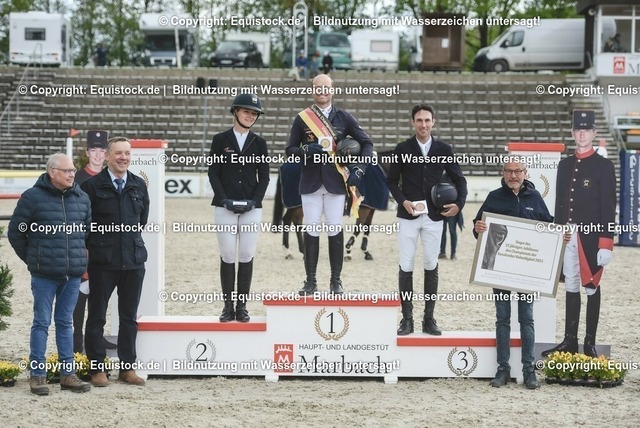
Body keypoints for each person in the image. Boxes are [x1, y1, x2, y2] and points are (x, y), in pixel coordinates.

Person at [8, 153, 92, 395]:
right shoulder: (32, 197)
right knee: (41, 323)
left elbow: (86, 232)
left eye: (73, 171)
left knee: (65, 323)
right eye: (67, 171)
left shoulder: (82, 198)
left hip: (72, 274)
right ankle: (37, 375)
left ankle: (68, 374)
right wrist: (34, 259)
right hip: (44, 275)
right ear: (52, 172)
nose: (72, 174)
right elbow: (16, 232)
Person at [286, 73, 373, 295]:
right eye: (317, 87)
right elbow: (290, 150)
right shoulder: (302, 118)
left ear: (332, 89)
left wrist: (360, 169)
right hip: (311, 182)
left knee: (335, 228)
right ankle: (310, 281)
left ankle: (336, 281)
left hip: (336, 182)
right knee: (311, 230)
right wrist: (304, 150)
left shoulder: (345, 117)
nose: (322, 91)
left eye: (326, 87)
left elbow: (367, 143)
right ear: (312, 90)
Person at [387, 103, 467, 336]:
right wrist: (403, 201)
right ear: (413, 122)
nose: (423, 124)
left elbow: (459, 179)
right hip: (408, 215)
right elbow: (391, 181)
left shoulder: (444, 149)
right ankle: (407, 319)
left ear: (433, 122)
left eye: (427, 120)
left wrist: (459, 204)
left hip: (434, 216)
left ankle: (429, 318)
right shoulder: (402, 148)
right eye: (419, 120)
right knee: (406, 264)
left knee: (431, 264)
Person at [473, 160, 553, 389]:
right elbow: (478, 228)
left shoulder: (535, 198)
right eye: (509, 171)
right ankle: (503, 370)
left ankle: (529, 371)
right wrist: (478, 228)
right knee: (502, 319)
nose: (513, 175)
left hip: (527, 272)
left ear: (525, 173)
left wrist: (561, 235)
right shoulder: (494, 197)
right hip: (500, 271)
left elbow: (548, 227)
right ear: (503, 173)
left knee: (527, 319)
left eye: (517, 171)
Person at [542, 110, 616, 358]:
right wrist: (557, 234)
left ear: (594, 133)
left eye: (586, 130)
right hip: (567, 235)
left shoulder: (604, 166)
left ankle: (590, 342)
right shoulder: (564, 165)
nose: (582, 134)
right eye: (578, 130)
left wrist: (606, 242)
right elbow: (560, 203)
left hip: (591, 238)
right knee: (571, 284)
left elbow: (608, 206)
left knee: (591, 285)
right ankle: (570, 340)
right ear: (573, 132)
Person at [81, 137, 150, 387]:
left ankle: (127, 368)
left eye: (127, 153)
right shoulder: (91, 186)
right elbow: (85, 224)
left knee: (129, 317)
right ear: (107, 156)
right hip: (103, 262)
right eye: (118, 153)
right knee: (97, 317)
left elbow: (142, 220)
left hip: (133, 261)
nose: (123, 158)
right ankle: (97, 368)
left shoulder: (138, 185)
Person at [208, 94, 269, 322]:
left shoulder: (260, 143)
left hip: (252, 207)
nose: (250, 116)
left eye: (254, 113)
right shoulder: (220, 140)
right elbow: (213, 173)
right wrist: (223, 198)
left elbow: (264, 177)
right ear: (236, 112)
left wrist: (255, 200)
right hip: (225, 206)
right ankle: (228, 307)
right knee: (227, 255)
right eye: (246, 112)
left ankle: (242, 306)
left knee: (246, 254)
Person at [73, 130, 109, 353]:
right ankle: (77, 345)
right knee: (78, 301)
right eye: (93, 149)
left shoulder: (110, 177)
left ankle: (97, 339)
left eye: (101, 150)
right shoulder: (75, 179)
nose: (97, 154)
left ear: (106, 154)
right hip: (82, 248)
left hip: (104, 248)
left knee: (99, 298)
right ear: (87, 152)